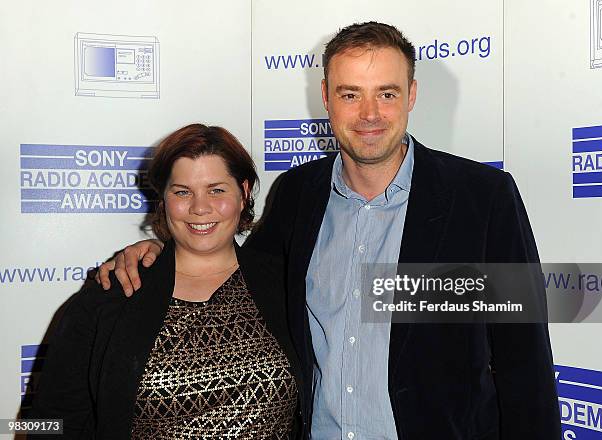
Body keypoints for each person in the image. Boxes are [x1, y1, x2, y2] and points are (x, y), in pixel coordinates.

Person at [98, 23, 561, 439]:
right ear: (325, 97)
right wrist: (160, 251)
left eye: (387, 93)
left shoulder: (481, 198)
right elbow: (235, 274)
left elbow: (525, 362)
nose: (369, 114)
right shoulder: (298, 194)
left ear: (412, 95)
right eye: (350, 94)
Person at [29, 124, 302, 439]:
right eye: (182, 192)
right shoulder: (113, 294)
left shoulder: (286, 286)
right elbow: (49, 423)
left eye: (216, 189)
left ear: (242, 193)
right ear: (163, 200)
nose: (200, 208)